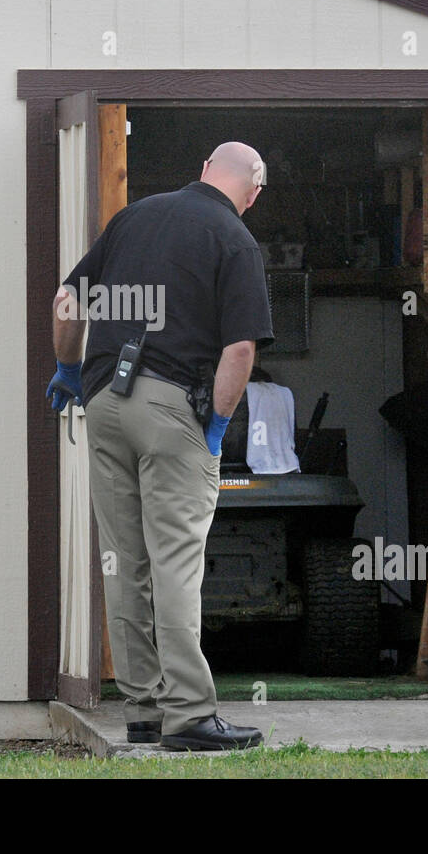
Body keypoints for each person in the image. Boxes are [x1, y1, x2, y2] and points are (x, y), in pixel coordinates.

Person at [45, 142, 275, 751]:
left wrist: (69, 369)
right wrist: (218, 427)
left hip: (105, 402)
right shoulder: (235, 239)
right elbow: (240, 350)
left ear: (202, 168)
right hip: (174, 406)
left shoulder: (134, 218)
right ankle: (191, 717)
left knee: (125, 560)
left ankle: (143, 710)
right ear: (253, 192)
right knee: (176, 559)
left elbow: (67, 302)